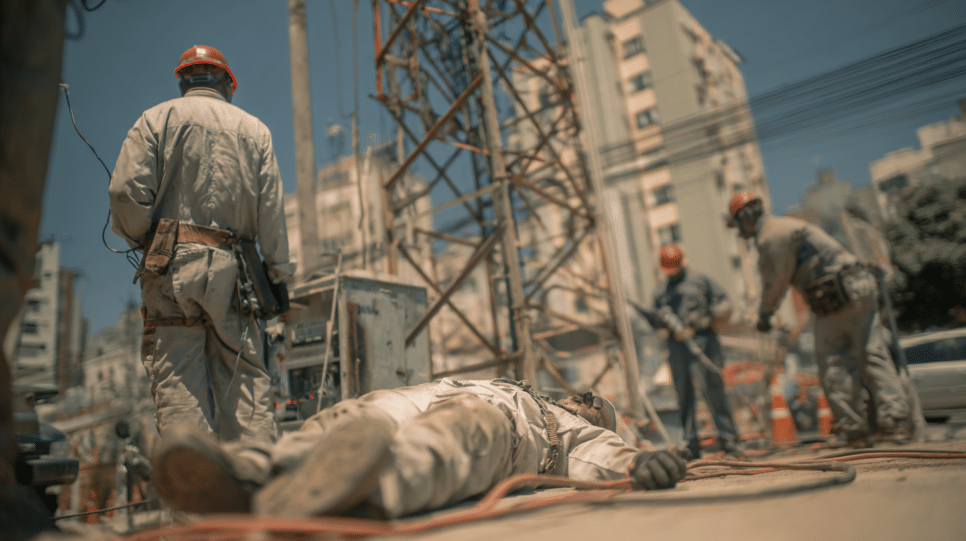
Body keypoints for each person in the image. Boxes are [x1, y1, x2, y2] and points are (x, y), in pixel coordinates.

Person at [150, 378, 688, 518]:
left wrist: (641, 460)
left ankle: (359, 492)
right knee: (342, 425)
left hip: (493, 426)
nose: (587, 396)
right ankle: (245, 477)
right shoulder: (526, 386)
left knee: (443, 445)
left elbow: (608, 460)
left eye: (598, 403)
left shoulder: (572, 430)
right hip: (412, 400)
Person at [109, 45, 294, 446]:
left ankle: (198, 507)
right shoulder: (255, 130)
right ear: (228, 83)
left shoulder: (156, 119)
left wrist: (147, 238)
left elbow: (125, 192)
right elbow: (272, 217)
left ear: (183, 80)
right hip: (236, 276)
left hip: (171, 267)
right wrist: (279, 275)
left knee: (180, 392)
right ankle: (255, 493)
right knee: (247, 389)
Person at [726, 192, 910, 446]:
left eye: (737, 222)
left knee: (834, 361)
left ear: (744, 217)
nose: (739, 230)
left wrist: (764, 316)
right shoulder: (786, 226)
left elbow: (775, 281)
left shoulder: (770, 236)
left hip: (835, 294)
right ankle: (895, 424)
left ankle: (853, 429)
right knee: (872, 354)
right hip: (857, 285)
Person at [651, 245, 743, 460]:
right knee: (683, 393)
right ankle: (691, 444)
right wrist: (664, 322)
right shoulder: (660, 291)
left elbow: (724, 304)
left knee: (713, 389)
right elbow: (654, 318)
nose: (671, 272)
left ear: (681, 262)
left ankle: (729, 441)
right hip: (677, 346)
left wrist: (704, 319)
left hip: (703, 341)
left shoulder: (700, 280)